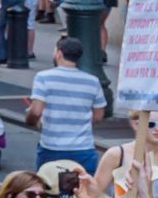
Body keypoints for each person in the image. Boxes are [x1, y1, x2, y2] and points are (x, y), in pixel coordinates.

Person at [26, 38, 109, 172]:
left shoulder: (43, 77)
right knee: (83, 190)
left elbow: (36, 111)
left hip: (52, 147)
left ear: (59, 53)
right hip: (83, 149)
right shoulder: (93, 81)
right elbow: (99, 116)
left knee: (49, 188)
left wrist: (31, 121)